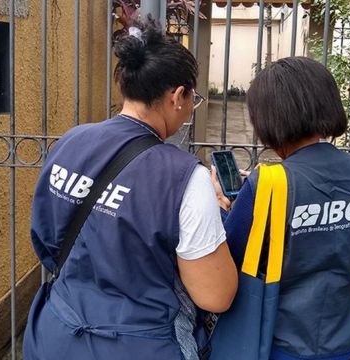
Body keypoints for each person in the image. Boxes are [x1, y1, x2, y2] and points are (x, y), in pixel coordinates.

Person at [23, 17, 237, 360]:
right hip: (141, 344)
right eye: (192, 100)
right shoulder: (186, 178)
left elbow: (46, 238)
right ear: (177, 96)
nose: (189, 111)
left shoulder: (70, 142)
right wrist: (217, 212)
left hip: (57, 334)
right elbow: (215, 296)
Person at [214, 56, 350, 360]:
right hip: (347, 340)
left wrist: (224, 207)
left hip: (281, 345)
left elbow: (228, 263)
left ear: (268, 119)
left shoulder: (267, 183)